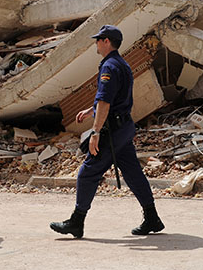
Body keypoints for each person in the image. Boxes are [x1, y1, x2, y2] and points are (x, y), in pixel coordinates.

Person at [50, 25, 164, 238]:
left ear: (106, 41)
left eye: (98, 40)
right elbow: (114, 99)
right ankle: (152, 218)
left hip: (113, 132)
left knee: (88, 172)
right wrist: (89, 109)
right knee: (132, 173)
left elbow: (105, 101)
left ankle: (77, 221)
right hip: (124, 127)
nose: (95, 43)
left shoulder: (109, 67)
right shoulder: (122, 64)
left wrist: (95, 132)